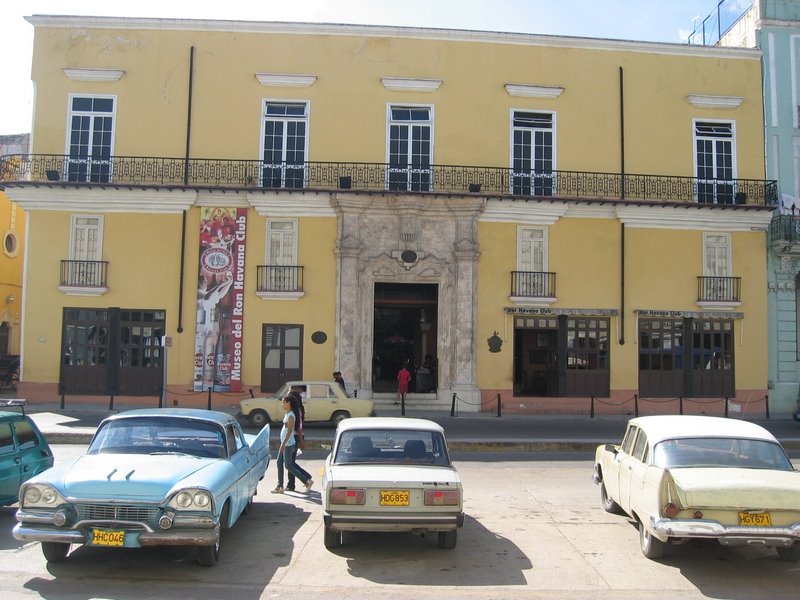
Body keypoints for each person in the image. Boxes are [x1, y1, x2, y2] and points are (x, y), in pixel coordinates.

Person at [271, 395, 313, 494]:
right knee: (279, 462)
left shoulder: (291, 415)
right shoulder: (287, 413)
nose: (282, 404)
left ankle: (307, 481)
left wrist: (283, 444)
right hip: (285, 442)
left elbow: (290, 431)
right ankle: (279, 486)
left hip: (289, 444)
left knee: (288, 465)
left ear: (289, 403)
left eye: (284, 402)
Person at [285, 391, 308, 492]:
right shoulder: (297, 409)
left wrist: (301, 441)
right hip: (296, 437)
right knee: (291, 463)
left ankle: (297, 482)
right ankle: (293, 483)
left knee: (290, 463)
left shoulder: (295, 411)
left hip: (294, 437)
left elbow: (299, 427)